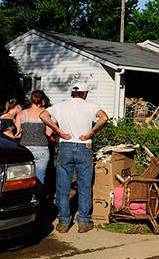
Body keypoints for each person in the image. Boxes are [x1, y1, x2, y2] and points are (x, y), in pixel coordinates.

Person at [40, 83, 109, 233]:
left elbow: (43, 115)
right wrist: (91, 133)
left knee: (62, 186)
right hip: (84, 146)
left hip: (66, 145)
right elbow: (104, 118)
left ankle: (64, 222)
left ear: (73, 92)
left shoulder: (60, 106)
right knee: (84, 185)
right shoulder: (91, 106)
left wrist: (58, 131)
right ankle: (84, 222)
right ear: (85, 93)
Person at [16, 90, 54, 196]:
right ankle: (38, 201)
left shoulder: (21, 114)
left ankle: (25, 200)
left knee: (23, 178)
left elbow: (18, 134)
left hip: (25, 150)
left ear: (31, 100)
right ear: (42, 100)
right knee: (40, 178)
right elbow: (49, 133)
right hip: (42, 149)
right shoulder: (45, 114)